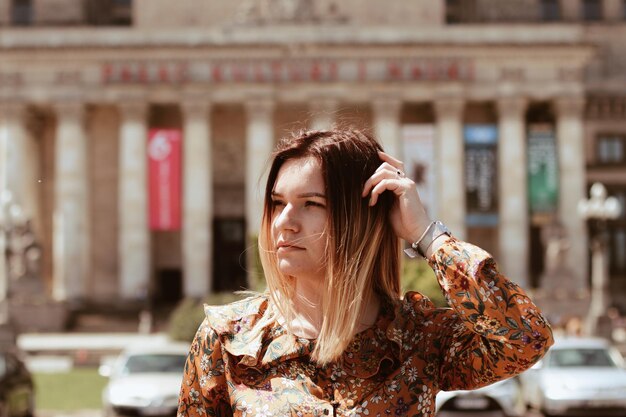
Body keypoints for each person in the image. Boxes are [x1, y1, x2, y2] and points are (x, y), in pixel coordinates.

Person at [178, 129, 553, 417]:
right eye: (278, 203)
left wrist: (426, 235)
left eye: (311, 204)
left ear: (359, 219)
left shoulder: (417, 339)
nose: (284, 223)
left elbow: (526, 339)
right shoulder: (229, 341)